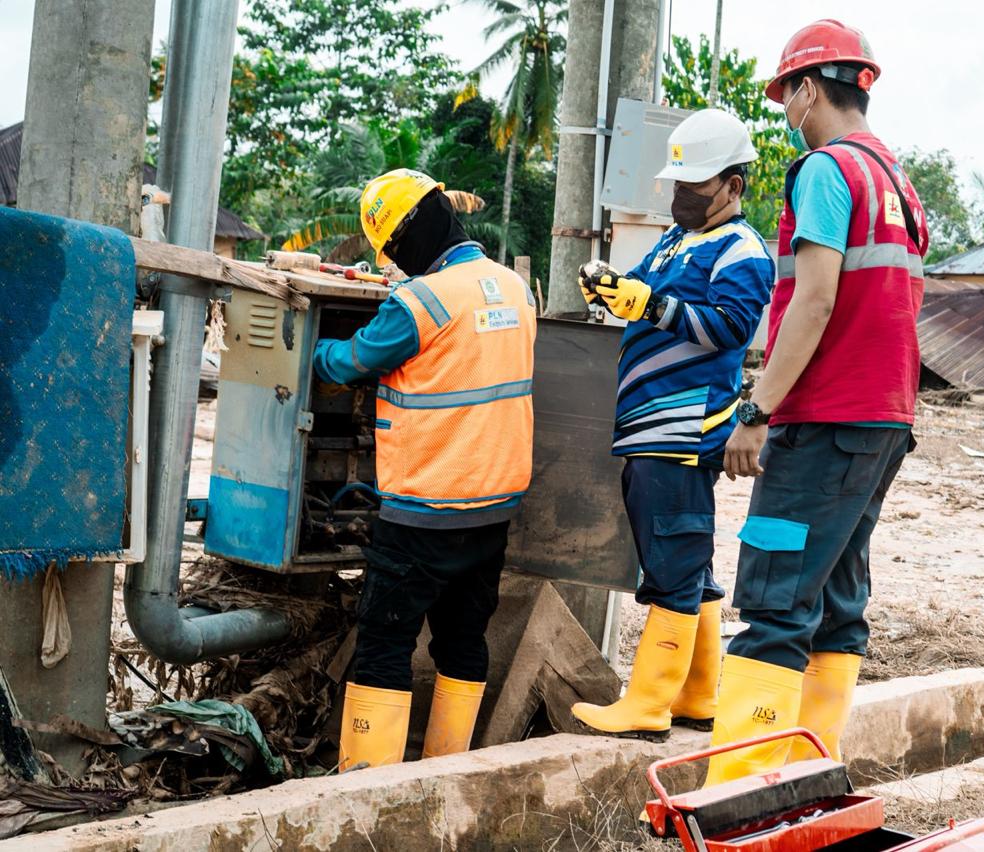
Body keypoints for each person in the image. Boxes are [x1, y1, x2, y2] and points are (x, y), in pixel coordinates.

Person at [703, 20, 929, 785]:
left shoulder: (826, 170)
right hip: (883, 419)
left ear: (807, 88)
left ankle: (738, 792)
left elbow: (816, 299)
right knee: (836, 600)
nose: (783, 110)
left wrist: (756, 410)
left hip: (825, 419)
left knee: (773, 597)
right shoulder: (893, 177)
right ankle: (804, 774)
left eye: (784, 94)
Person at [313, 169, 537, 770]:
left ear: (404, 239)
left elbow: (352, 361)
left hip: (423, 511)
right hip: (492, 508)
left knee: (385, 640)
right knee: (462, 641)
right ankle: (446, 773)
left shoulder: (420, 301)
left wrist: (312, 349)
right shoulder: (515, 288)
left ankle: (368, 785)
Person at [569, 109, 775, 742]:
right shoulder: (674, 238)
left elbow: (731, 327)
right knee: (689, 563)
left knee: (673, 561)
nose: (683, 195)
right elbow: (645, 296)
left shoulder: (742, 249)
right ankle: (696, 696)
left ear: (733, 185)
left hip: (684, 429)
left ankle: (648, 705)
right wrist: (613, 288)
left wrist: (650, 305)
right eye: (679, 184)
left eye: (697, 184)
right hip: (650, 426)